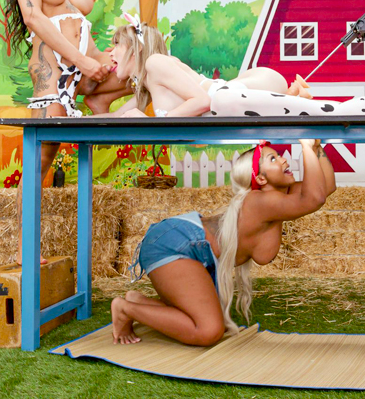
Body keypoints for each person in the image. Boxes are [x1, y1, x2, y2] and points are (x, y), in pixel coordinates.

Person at [111, 138, 335, 345]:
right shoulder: (260, 201)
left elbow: (326, 187)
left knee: (204, 321)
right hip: (175, 243)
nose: (284, 159)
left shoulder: (280, 196)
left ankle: (138, 302)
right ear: (260, 178)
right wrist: (306, 147)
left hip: (188, 247)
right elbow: (315, 198)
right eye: (273, 159)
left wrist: (317, 148)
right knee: (208, 331)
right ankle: (124, 309)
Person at [4, 0, 131, 263]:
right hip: (54, 73)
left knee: (145, 68)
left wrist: (108, 57)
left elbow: (78, 26)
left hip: (84, 68)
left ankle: (99, 101)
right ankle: (25, 246)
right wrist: (82, 61)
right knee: (41, 161)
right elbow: (32, 17)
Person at [98, 14, 312, 118]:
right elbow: (117, 117)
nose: (111, 52)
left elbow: (202, 101)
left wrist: (151, 124)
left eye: (117, 44)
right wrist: (77, 119)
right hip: (245, 88)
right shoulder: (147, 84)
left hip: (251, 86)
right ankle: (292, 94)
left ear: (136, 48)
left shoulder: (155, 63)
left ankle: (292, 96)